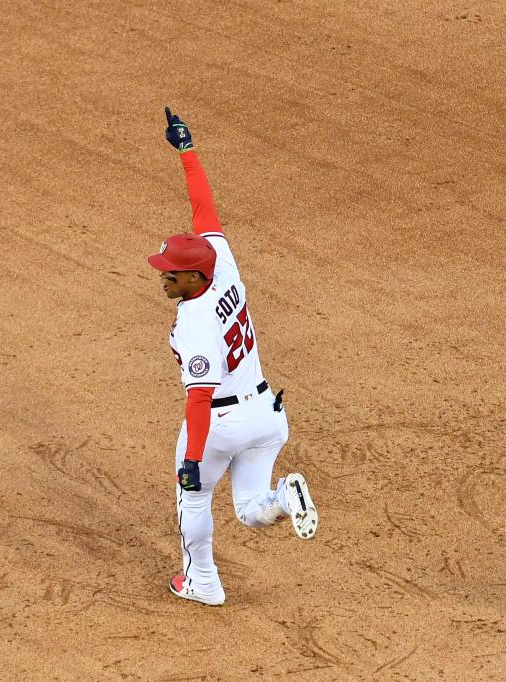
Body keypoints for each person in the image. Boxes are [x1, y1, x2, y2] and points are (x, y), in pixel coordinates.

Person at [148, 108, 319, 607]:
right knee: (249, 509)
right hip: (267, 416)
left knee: (193, 495)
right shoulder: (220, 264)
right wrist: (188, 153)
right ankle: (284, 498)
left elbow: (198, 401)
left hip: (220, 422)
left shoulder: (195, 324)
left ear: (194, 279)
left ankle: (202, 581)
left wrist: (194, 460)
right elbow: (205, 213)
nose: (163, 277)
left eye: (170, 274)